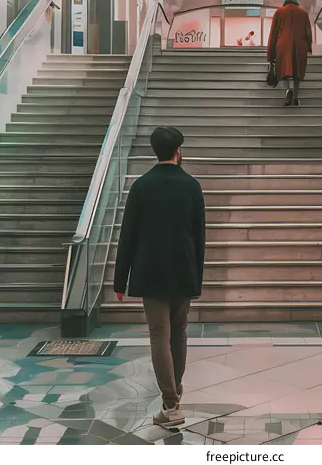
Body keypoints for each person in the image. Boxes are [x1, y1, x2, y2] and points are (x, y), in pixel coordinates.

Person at [113, 126, 206, 428]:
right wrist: (197, 277)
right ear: (179, 151)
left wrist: (119, 281)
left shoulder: (141, 186)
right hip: (183, 272)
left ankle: (171, 404)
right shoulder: (192, 186)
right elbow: (199, 237)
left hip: (150, 273)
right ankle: (174, 396)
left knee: (159, 335)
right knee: (179, 333)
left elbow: (128, 237)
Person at [267, 0, 313, 106]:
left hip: (283, 45)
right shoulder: (303, 13)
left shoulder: (279, 12)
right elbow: (308, 33)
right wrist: (309, 47)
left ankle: (288, 91)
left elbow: (273, 33)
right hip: (299, 45)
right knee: (297, 72)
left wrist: (270, 52)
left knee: (283, 71)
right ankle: (296, 97)